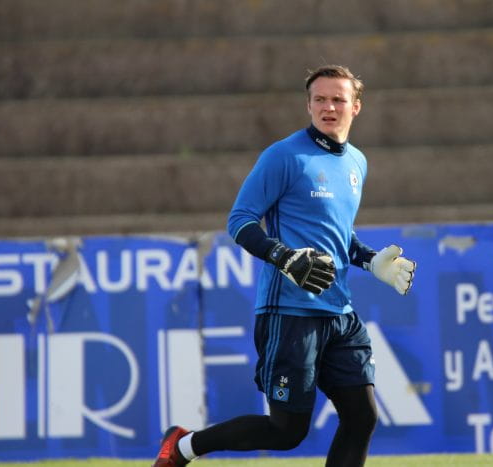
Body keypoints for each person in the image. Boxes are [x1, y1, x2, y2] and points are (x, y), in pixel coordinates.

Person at [153, 64, 416, 467]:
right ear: (308, 105)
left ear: (356, 107)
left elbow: (336, 234)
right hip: (290, 313)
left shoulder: (357, 163)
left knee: (362, 417)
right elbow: (239, 221)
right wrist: (284, 257)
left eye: (338, 99)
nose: (329, 107)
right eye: (320, 99)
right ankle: (184, 446)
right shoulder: (284, 155)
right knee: (287, 431)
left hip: (340, 313)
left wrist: (368, 260)